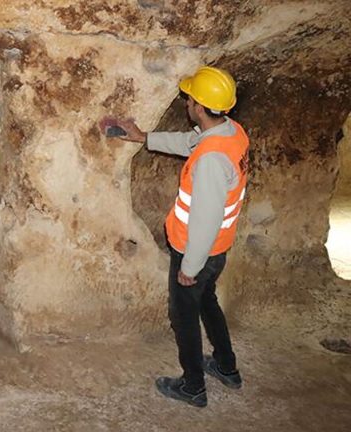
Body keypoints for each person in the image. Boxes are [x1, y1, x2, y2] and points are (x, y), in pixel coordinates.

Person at [116, 66, 248, 408]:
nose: (187, 103)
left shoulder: (210, 161)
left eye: (190, 99)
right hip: (217, 250)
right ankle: (226, 365)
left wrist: (189, 266)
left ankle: (193, 386)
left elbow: (205, 218)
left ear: (200, 107)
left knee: (184, 315)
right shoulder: (230, 134)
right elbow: (190, 141)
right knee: (208, 302)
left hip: (197, 251)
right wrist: (143, 136)